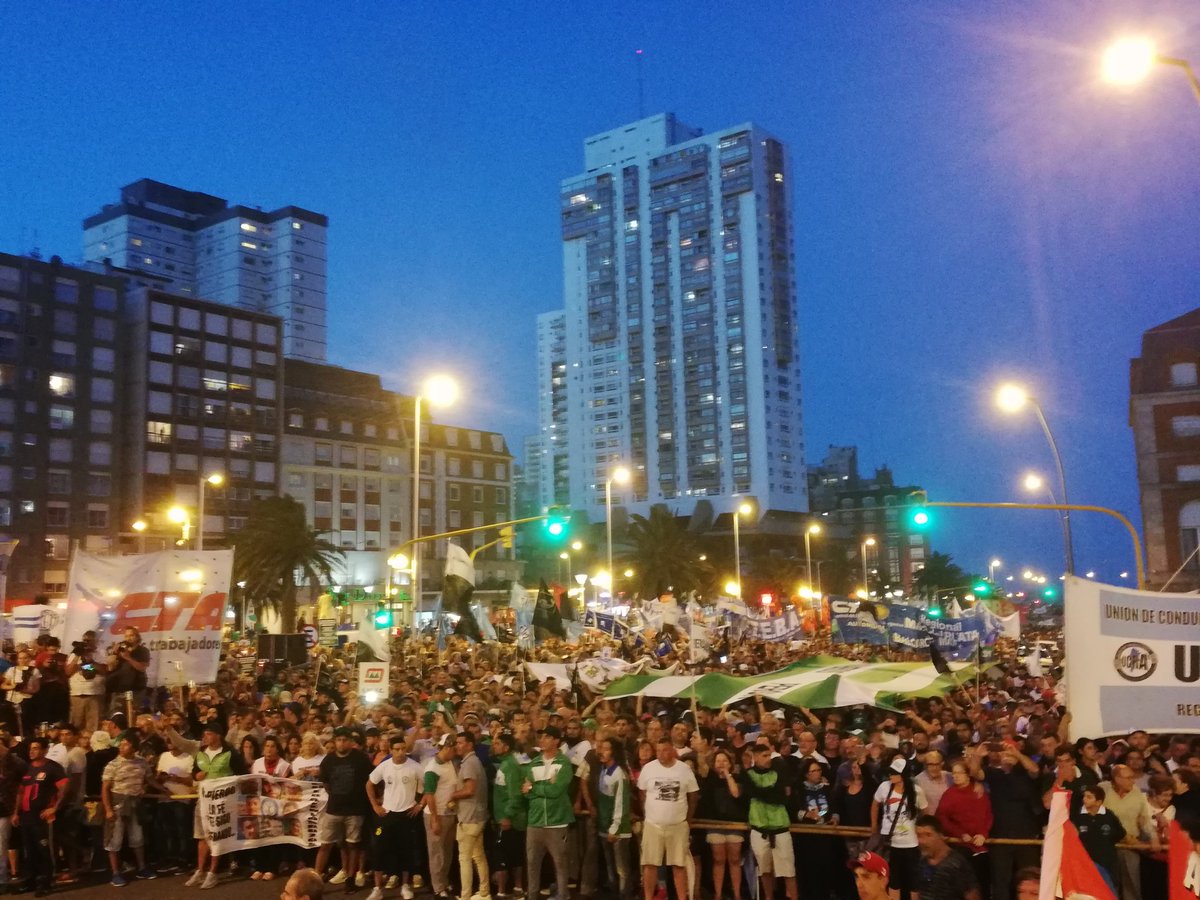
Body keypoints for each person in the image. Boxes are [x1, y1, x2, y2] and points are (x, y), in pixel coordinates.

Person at [636, 737, 698, 900]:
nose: (660, 754)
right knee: (650, 864)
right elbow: (642, 792)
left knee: (678, 865)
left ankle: (681, 898)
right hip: (653, 824)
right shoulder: (648, 768)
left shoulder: (684, 769)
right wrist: (647, 813)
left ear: (672, 751)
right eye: (658, 750)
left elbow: (693, 796)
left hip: (677, 825)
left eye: (664, 750)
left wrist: (687, 820)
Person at [186, 721, 245, 889]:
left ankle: (213, 872)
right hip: (203, 801)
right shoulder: (201, 753)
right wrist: (196, 775)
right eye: (204, 733)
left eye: (209, 733)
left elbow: (241, 775)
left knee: (217, 836)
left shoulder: (230, 753)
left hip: (222, 803)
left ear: (218, 735)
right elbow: (194, 772)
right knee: (201, 836)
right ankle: (200, 870)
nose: (205, 736)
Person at [365, 733, 422, 900]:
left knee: (406, 851)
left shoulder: (415, 766)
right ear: (391, 750)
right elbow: (369, 784)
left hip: (406, 815)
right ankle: (377, 889)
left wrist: (420, 805)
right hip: (387, 814)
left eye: (403, 749)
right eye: (397, 749)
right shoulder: (384, 766)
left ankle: (405, 886)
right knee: (378, 850)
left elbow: (428, 786)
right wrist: (375, 805)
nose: (401, 752)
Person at [317, 726, 374, 893]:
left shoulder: (361, 759)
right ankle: (315, 877)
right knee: (326, 845)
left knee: (353, 845)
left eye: (345, 740)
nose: (341, 743)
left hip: (355, 810)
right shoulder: (328, 760)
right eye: (339, 740)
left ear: (350, 742)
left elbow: (370, 780)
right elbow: (326, 784)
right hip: (334, 809)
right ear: (335, 742)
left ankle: (350, 878)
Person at [522, 726, 575, 900]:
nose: (542, 740)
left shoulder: (564, 763)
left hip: (557, 822)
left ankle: (563, 895)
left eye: (546, 737)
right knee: (532, 863)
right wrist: (545, 785)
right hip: (535, 821)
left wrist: (535, 786)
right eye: (541, 737)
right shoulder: (534, 763)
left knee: (560, 863)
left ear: (556, 741)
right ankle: (532, 895)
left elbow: (557, 791)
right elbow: (525, 791)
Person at [16, 736, 68, 897]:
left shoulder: (53, 768)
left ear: (45, 750)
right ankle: (31, 880)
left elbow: (65, 789)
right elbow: (20, 792)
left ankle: (46, 882)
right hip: (26, 817)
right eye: (30, 749)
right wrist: (15, 812)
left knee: (45, 850)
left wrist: (54, 808)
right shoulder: (26, 769)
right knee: (29, 851)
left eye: (36, 748)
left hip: (43, 818)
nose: (32, 752)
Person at [745, 738, 796, 900]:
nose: (769, 758)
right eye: (765, 755)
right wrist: (768, 793)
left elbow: (782, 797)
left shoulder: (778, 773)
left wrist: (761, 792)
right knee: (764, 870)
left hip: (780, 827)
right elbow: (751, 792)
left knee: (788, 870)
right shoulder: (748, 775)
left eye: (769, 755)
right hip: (759, 829)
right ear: (756, 757)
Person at [102, 735, 156, 885]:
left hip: (135, 804)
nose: (121, 747)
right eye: (121, 744)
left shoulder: (142, 762)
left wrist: (163, 790)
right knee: (114, 839)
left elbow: (149, 780)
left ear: (133, 747)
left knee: (137, 837)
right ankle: (115, 873)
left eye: (125, 744)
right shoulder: (113, 764)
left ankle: (142, 867)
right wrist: (108, 809)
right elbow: (105, 788)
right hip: (118, 803)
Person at [871, 756, 927, 900]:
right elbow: (875, 804)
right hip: (890, 842)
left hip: (911, 843)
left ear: (903, 775)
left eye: (894, 773)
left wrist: (922, 831)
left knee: (913, 880)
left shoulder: (916, 791)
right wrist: (874, 826)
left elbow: (925, 812)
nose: (891, 775)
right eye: (890, 772)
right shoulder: (884, 787)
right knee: (893, 879)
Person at [1098, 763, 1157, 900]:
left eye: (1133, 777)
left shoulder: (1137, 794)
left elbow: (1144, 820)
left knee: (1131, 884)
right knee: (1108, 883)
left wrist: (1154, 837)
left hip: (1130, 846)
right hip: (1106, 846)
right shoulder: (1102, 790)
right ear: (1117, 779)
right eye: (1129, 778)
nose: (1133, 780)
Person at [936, 760, 992, 896]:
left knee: (982, 885)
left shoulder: (979, 792)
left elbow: (987, 815)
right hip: (960, 846)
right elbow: (942, 818)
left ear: (968, 775)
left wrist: (983, 834)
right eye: (954, 773)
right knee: (962, 887)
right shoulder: (949, 795)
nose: (956, 776)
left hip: (980, 846)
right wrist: (960, 834)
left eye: (959, 773)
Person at [700, 747, 745, 900]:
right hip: (715, 824)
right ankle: (718, 894)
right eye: (718, 761)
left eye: (724, 760)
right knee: (718, 860)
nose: (721, 763)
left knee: (734, 860)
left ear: (731, 763)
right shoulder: (709, 779)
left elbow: (735, 793)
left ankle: (737, 894)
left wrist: (727, 775)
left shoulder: (737, 778)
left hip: (734, 824)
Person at [451, 731, 491, 900]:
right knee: (478, 856)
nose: (457, 746)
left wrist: (453, 795)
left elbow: (469, 790)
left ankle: (465, 895)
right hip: (478, 816)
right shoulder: (475, 762)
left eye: (460, 743)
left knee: (464, 858)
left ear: (469, 744)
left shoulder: (468, 764)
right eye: (457, 743)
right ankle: (484, 892)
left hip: (469, 818)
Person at [594, 738, 634, 900]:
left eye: (606, 749)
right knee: (611, 867)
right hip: (605, 827)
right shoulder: (604, 770)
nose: (601, 752)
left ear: (614, 752)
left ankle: (624, 895)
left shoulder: (620, 775)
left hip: (618, 829)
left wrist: (614, 827)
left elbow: (621, 803)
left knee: (621, 869)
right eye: (601, 748)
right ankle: (613, 893)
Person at [489, 730, 527, 900]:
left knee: (505, 855)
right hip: (505, 818)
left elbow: (515, 795)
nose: (493, 746)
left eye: (497, 744)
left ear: (506, 747)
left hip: (510, 819)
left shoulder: (510, 766)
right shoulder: (506, 764)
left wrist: (507, 816)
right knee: (513, 854)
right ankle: (516, 889)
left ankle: (504, 891)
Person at [422, 733, 460, 900]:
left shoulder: (450, 762)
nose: (456, 752)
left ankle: (444, 881)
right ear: (446, 748)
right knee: (437, 853)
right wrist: (435, 819)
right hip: (437, 815)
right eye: (454, 749)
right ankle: (438, 887)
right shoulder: (432, 769)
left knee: (447, 851)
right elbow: (429, 795)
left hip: (450, 813)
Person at [250, 735, 293, 880]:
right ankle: (259, 867)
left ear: (277, 749)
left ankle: (272, 868)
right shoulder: (256, 763)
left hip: (277, 806)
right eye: (267, 746)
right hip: (259, 805)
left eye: (272, 746)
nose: (269, 749)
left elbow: (289, 785)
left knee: (274, 838)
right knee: (259, 837)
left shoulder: (284, 766)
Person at [1072, 785, 1125, 894]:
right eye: (1084, 796)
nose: (1084, 799)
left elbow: (1120, 833)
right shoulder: (1076, 816)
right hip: (1084, 863)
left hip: (1107, 863)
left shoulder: (1109, 815)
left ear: (1098, 801)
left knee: (1109, 892)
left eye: (1089, 797)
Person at [914, 815, 981, 900]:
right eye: (919, 835)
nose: (923, 841)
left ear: (941, 836)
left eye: (928, 835)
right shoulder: (922, 861)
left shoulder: (956, 864)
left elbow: (972, 896)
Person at [0, 734, 28, 892]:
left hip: (4, 809)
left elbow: (25, 775)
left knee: (1, 845)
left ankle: (2, 880)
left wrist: (15, 810)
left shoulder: (12, 762)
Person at [65, 632, 106, 736]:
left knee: (93, 725)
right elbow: (68, 672)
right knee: (77, 725)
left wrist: (91, 662)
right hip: (77, 694)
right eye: (84, 640)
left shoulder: (100, 653)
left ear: (95, 641)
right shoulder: (75, 654)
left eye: (89, 640)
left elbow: (105, 670)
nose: (86, 643)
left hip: (94, 694)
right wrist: (77, 656)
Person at [105, 628, 150, 710]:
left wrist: (128, 658)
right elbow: (110, 668)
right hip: (119, 690)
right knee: (117, 715)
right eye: (126, 636)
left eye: (131, 635)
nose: (128, 638)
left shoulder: (143, 650)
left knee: (134, 713)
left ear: (137, 637)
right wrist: (114, 653)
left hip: (136, 690)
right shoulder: (120, 651)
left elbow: (142, 668)